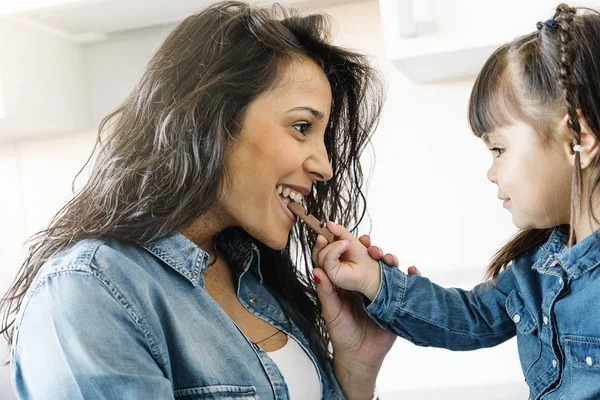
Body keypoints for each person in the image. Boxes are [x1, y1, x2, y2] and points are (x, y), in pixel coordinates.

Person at [0, 1, 399, 398]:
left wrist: (355, 370)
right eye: (301, 126)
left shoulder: (256, 277)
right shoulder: (88, 289)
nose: (325, 167)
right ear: (216, 121)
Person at [313, 3, 600, 400]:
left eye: (498, 149)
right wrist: (374, 281)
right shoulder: (532, 269)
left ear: (577, 139)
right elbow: (470, 317)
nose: (491, 171)